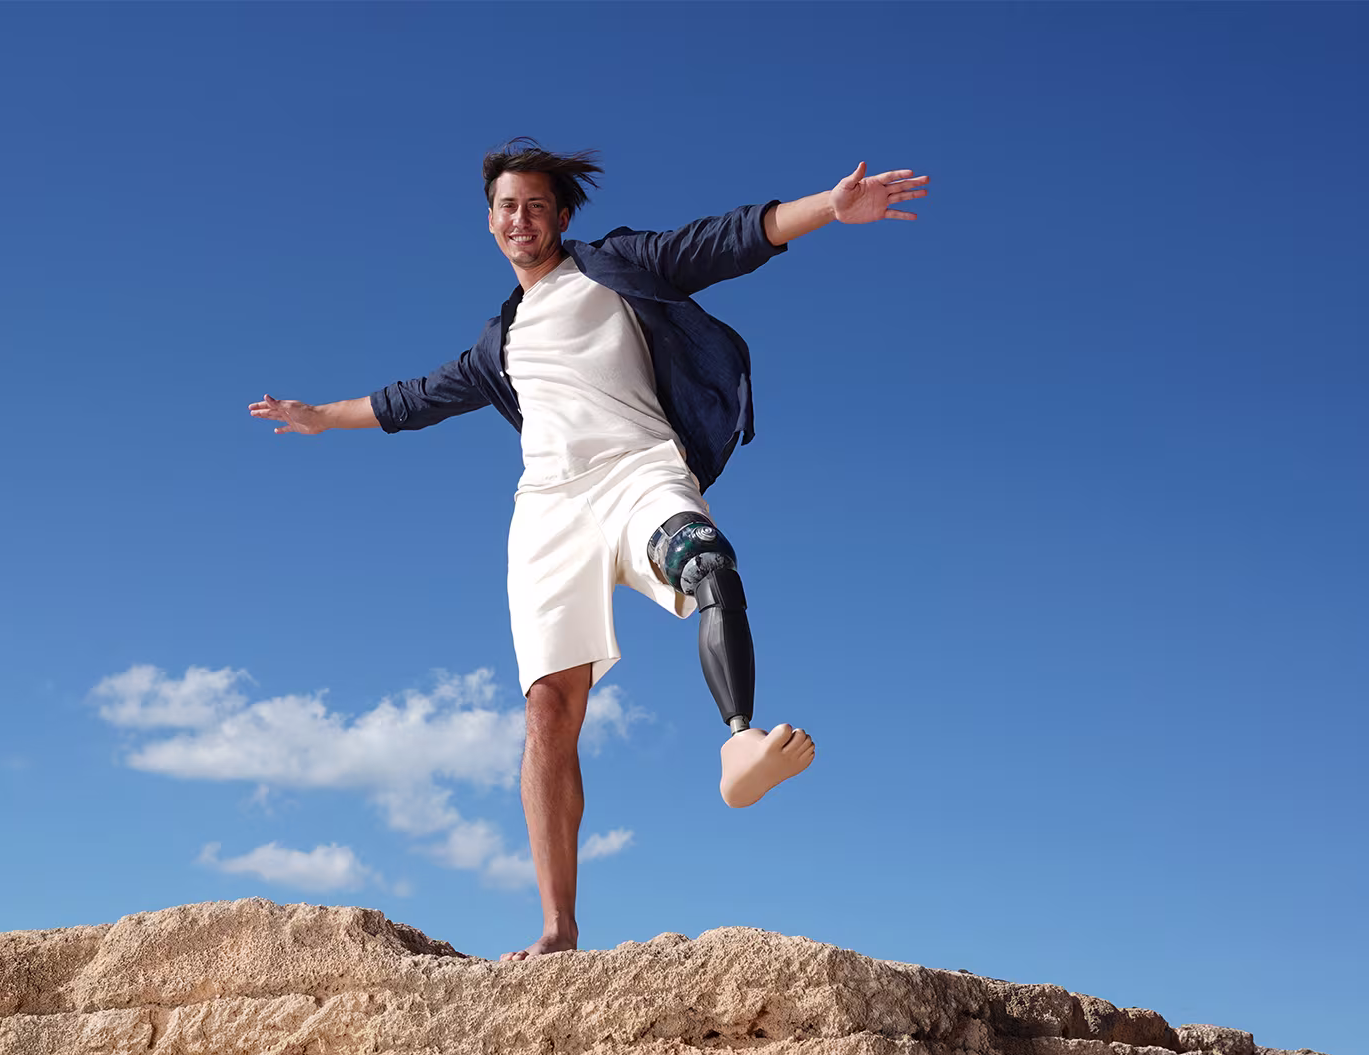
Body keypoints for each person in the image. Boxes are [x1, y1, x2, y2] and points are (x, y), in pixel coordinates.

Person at [249, 139, 926, 963]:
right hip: (547, 513)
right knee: (548, 711)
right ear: (490, 221)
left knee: (708, 563)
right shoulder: (496, 345)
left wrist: (829, 206)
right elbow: (415, 399)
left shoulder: (617, 266)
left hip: (640, 470)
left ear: (562, 216)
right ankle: (558, 928)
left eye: (536, 205)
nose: (520, 219)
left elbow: (727, 239)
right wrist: (319, 415)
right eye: (506, 207)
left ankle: (740, 741)